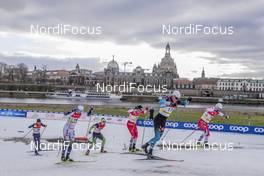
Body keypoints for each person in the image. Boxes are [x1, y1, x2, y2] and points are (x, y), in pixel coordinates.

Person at [142, 90, 191, 158]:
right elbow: (161, 102)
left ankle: (149, 150)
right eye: (176, 98)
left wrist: (188, 100)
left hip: (163, 121)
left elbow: (185, 104)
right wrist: (170, 104)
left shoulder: (177, 101)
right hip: (158, 119)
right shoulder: (167, 98)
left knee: (157, 138)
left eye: (177, 99)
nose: (176, 100)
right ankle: (145, 146)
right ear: (173, 96)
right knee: (157, 137)